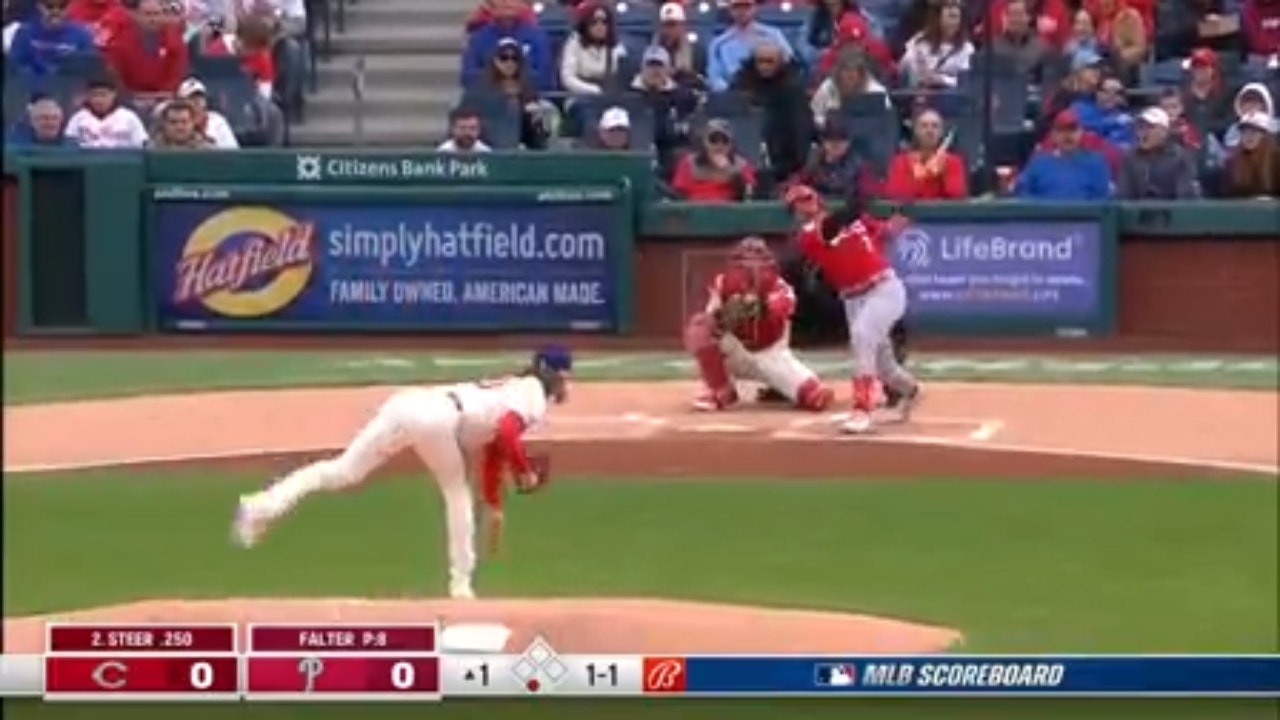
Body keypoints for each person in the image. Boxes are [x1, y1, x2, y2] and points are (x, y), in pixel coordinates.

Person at [231, 346, 573, 600]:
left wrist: (496, 503)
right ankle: (461, 585)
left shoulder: (514, 386)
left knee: (341, 471)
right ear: (554, 374)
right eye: (566, 375)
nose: (567, 383)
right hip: (438, 419)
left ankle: (260, 506)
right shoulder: (533, 395)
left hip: (407, 405)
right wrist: (525, 472)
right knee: (456, 494)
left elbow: (497, 448)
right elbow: (509, 432)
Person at [785, 183, 921, 434]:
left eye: (807, 199)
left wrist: (903, 215)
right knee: (884, 366)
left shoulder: (855, 221)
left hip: (884, 289)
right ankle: (910, 391)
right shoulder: (808, 234)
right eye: (798, 204)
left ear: (817, 199)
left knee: (861, 336)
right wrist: (857, 205)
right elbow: (834, 225)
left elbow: (886, 231)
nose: (805, 206)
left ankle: (861, 409)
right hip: (853, 300)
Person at [683, 237, 834, 412]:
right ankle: (722, 391)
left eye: (756, 263)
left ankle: (779, 386)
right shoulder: (722, 284)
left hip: (770, 356)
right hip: (736, 352)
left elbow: (781, 306)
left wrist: (757, 305)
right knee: (699, 329)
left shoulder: (781, 288)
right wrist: (723, 317)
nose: (750, 270)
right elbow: (711, 321)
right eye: (743, 264)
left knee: (815, 396)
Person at [730, 38, 812, 182]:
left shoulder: (793, 89)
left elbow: (801, 128)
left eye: (770, 61)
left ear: (780, 62)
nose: (764, 66)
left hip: (783, 158)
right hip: (743, 158)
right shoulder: (740, 83)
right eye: (760, 61)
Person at [1015, 109, 1112, 199]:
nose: (1067, 136)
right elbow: (1022, 194)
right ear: (1053, 135)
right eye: (1061, 130)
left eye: (1072, 130)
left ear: (1081, 133)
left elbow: (1102, 201)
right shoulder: (1038, 163)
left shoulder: (1095, 163)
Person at [461, 0, 553, 91]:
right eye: (501, 0)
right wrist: (500, 84)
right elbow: (468, 76)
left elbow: (545, 76)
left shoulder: (537, 35)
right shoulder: (478, 37)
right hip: (487, 96)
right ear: (490, 6)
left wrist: (515, 84)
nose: (507, 3)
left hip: (530, 96)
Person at [706, 0, 793, 91]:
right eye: (737, 7)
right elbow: (714, 76)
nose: (742, 11)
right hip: (733, 94)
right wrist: (728, 92)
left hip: (769, 91)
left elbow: (789, 62)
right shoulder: (718, 43)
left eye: (746, 6)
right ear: (730, 10)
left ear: (755, 8)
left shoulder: (773, 35)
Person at [105, 0, 187, 97]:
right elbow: (116, 76)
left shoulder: (175, 40)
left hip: (165, 98)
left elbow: (176, 75)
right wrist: (132, 96)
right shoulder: (120, 41)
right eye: (147, 14)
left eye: (156, 14)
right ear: (136, 15)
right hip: (129, 98)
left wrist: (160, 95)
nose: (153, 19)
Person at [1116, 106, 1201, 198]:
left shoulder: (1180, 158)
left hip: (1172, 211)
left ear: (1164, 131)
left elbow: (1185, 199)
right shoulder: (1130, 157)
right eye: (1140, 127)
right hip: (1138, 211)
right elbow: (1123, 197)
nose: (1143, 132)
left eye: (1149, 127)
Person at [884, 108, 968, 200]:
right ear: (916, 131)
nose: (930, 130)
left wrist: (943, 173)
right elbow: (894, 195)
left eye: (935, 126)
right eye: (924, 126)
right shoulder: (900, 162)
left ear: (941, 132)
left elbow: (958, 196)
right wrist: (922, 176)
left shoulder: (953, 162)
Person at [670, 119, 757, 202]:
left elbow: (747, 195)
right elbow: (679, 196)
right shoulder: (688, 163)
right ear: (704, 143)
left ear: (731, 145)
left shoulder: (741, 164)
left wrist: (730, 171)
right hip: (695, 212)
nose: (719, 146)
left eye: (724, 141)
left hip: (728, 213)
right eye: (713, 140)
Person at [8, 0, 95, 78]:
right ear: (39, 6)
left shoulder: (82, 34)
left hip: (68, 86)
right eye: (49, 6)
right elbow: (14, 67)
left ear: (70, 7)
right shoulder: (25, 32)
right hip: (31, 86)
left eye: (62, 6)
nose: (55, 11)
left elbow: (86, 69)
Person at [899, 0, 973, 88]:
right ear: (938, 18)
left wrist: (942, 80)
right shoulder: (920, 41)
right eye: (950, 17)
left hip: (950, 95)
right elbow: (904, 67)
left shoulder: (967, 48)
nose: (954, 22)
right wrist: (918, 70)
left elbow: (966, 82)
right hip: (920, 92)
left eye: (957, 17)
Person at [810, 48, 891, 129]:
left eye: (853, 72)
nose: (849, 75)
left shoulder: (876, 91)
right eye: (845, 70)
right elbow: (814, 114)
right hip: (833, 137)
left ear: (861, 73)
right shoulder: (829, 86)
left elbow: (886, 122)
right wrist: (827, 123)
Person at [558, 1, 626, 95]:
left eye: (604, 22)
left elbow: (623, 76)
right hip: (579, 95)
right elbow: (568, 79)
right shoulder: (574, 44)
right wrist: (593, 90)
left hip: (608, 95)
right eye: (594, 22)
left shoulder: (616, 46)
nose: (599, 26)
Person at [62, 73, 149, 148]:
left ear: (113, 94)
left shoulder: (129, 117)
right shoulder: (78, 118)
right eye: (94, 95)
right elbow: (69, 148)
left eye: (103, 95)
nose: (98, 100)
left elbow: (142, 146)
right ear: (88, 95)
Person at [1220, 111, 1280, 197]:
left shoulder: (1276, 160)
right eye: (1245, 132)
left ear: (1266, 135)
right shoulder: (1232, 162)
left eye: (1255, 132)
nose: (1249, 136)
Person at [175, 77, 238, 148]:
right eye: (191, 98)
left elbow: (232, 153)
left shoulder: (218, 121)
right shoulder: (175, 122)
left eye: (200, 98)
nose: (197, 102)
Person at [5, 94, 78, 147]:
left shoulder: (72, 146)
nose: (50, 123)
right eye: (44, 118)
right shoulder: (15, 145)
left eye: (55, 118)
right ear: (32, 121)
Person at [1223, 83, 1275, 149]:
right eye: (1247, 101)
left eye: (1256, 101)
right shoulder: (1234, 131)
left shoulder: (1276, 127)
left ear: (1265, 104)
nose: (1251, 105)